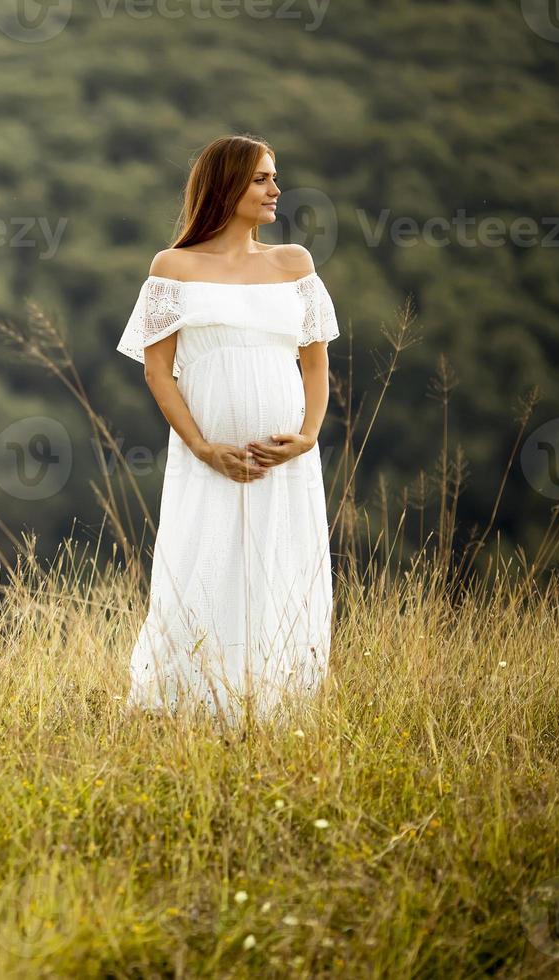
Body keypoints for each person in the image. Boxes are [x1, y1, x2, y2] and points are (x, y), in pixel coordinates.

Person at [115, 134, 340, 729]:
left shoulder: (294, 263)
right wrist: (202, 446)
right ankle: (188, 709)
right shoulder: (175, 268)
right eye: (263, 179)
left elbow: (314, 362)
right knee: (201, 562)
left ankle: (274, 709)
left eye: (275, 177)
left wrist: (309, 434)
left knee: (281, 566)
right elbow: (158, 370)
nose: (276, 190)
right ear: (226, 185)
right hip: (206, 454)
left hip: (285, 458)